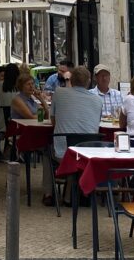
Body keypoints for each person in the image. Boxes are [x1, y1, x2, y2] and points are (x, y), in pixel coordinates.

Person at [41, 66, 101, 206]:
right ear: (89, 82)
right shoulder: (98, 100)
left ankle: (48, 193)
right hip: (87, 154)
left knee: (46, 152)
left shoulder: (59, 93)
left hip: (63, 153)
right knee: (74, 148)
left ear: (71, 80)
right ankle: (70, 195)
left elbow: (54, 121)